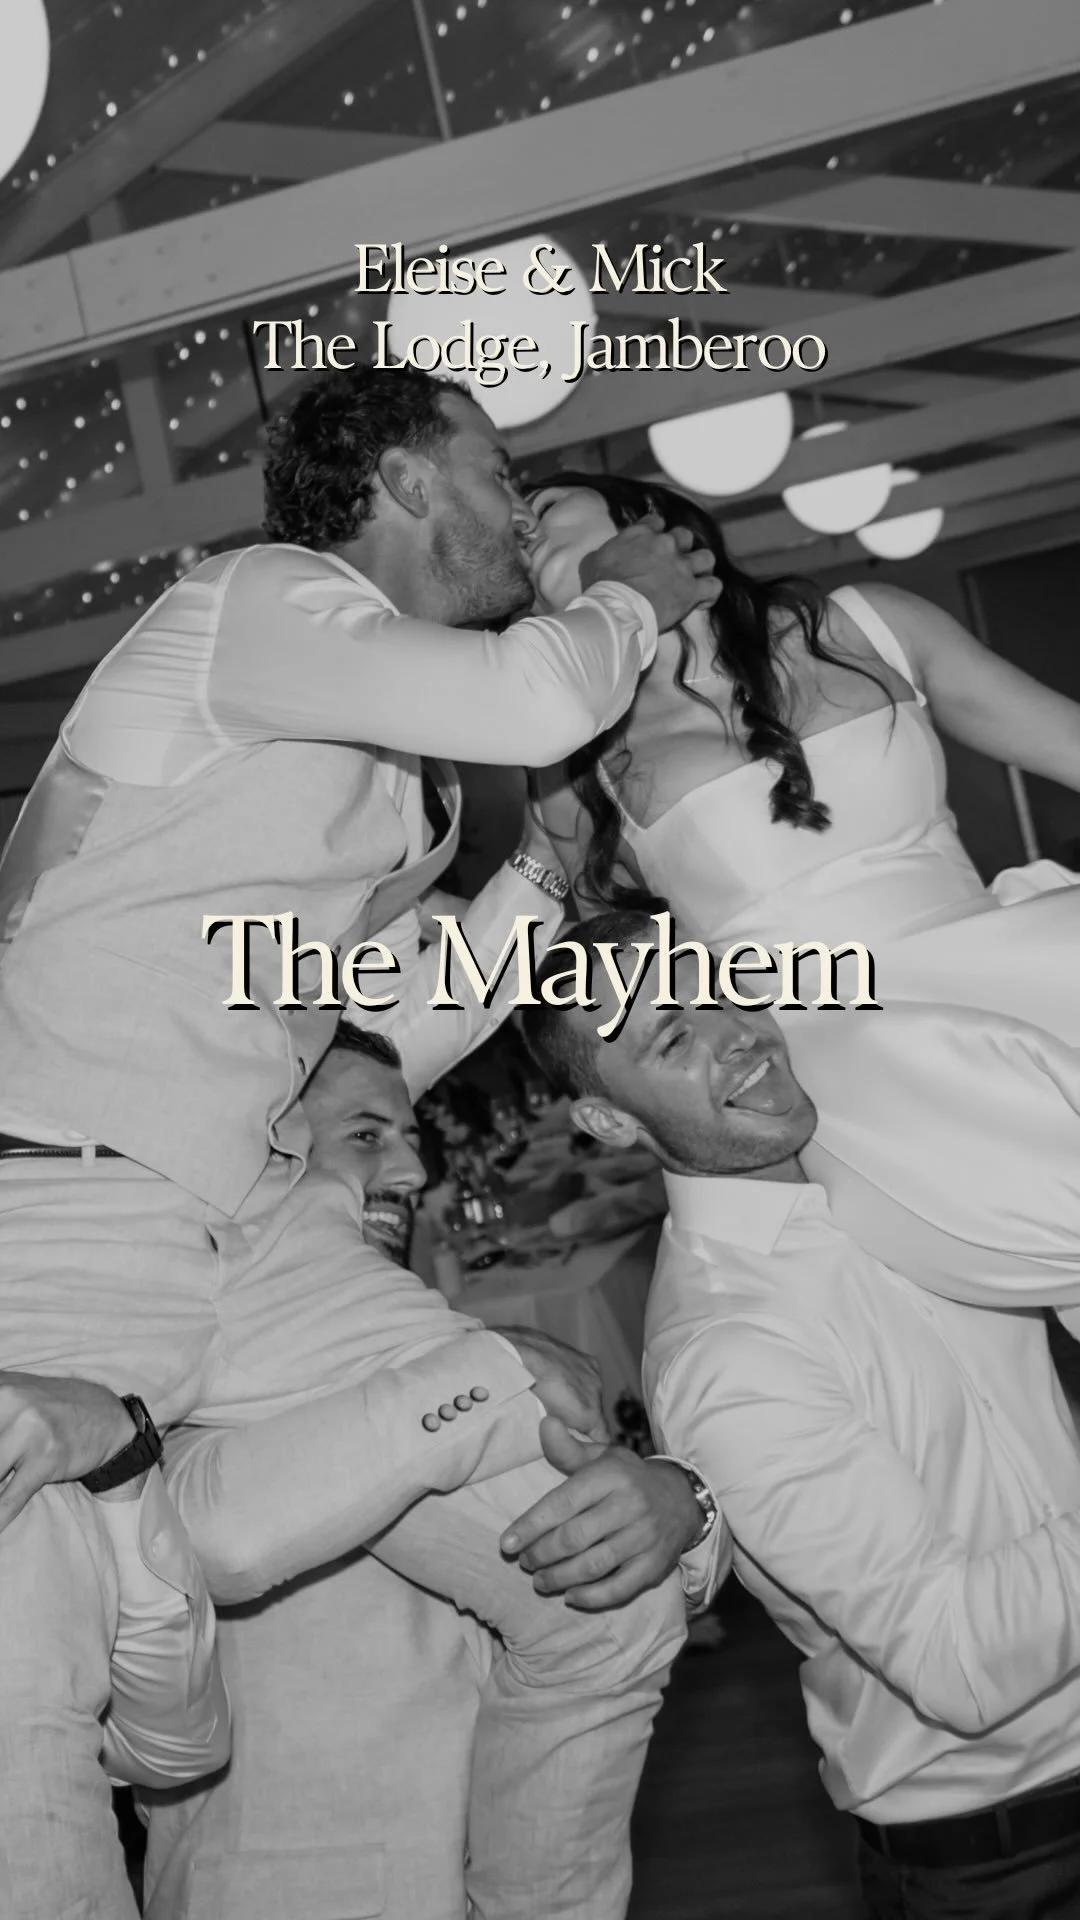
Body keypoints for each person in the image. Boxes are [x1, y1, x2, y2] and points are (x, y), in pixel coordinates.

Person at [0, 370, 718, 1917]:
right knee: (25, 1715)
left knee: (605, 1581)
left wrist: (542, 876)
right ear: (402, 480)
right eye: (498, 468)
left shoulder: (397, 783)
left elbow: (367, 1027)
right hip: (53, 1204)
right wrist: (625, 596)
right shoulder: (251, 603)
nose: (516, 505)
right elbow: (538, 698)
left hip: (250, 1226)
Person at [0, 1023, 703, 1920]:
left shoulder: (436, 1342)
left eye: (411, 1138)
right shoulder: (160, 1371)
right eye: (365, 1135)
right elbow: (222, 1541)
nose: (411, 1170)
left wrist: (681, 1501)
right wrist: (486, 1370)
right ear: (259, 1154)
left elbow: (611, 1577)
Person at [517, 910, 1080, 1918]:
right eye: (673, 1038)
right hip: (1016, 1853)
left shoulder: (888, 1155)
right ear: (609, 1123)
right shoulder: (729, 1348)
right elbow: (957, 1660)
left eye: (720, 992)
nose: (736, 1034)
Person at [528, 472, 1080, 1321]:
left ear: (646, 516)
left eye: (541, 510)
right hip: (871, 1087)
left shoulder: (865, 625)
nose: (521, 532)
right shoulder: (576, 771)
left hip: (1023, 972)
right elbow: (627, 1008)